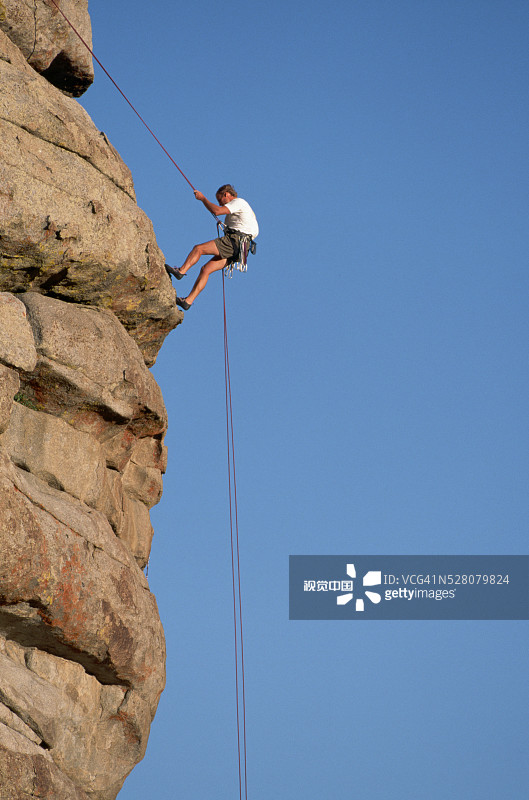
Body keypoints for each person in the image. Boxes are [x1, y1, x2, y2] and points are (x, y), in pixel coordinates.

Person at [166, 185, 259, 310]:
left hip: (235, 241)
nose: (220, 203)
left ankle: (181, 271)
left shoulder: (238, 202)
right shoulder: (239, 210)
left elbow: (217, 211)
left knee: (198, 249)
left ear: (226, 194)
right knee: (206, 269)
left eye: (220, 200)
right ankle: (187, 301)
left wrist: (203, 198)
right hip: (241, 249)